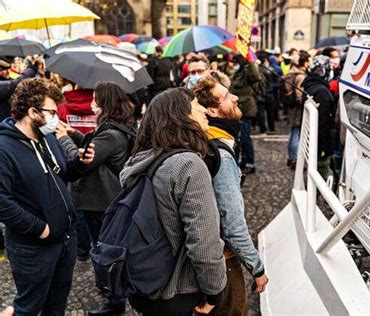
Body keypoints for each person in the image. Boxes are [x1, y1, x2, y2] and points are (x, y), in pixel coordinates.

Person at [122, 87, 226, 316]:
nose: (203, 110)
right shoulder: (188, 165)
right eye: (197, 105)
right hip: (178, 290)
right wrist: (215, 291)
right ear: (182, 115)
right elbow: (203, 241)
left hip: (145, 282)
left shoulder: (141, 159)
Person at [0, 78, 94, 315]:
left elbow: (62, 173)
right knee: (29, 306)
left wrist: (79, 164)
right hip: (33, 247)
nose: (56, 119)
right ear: (33, 112)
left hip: (65, 240)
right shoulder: (4, 148)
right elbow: (2, 202)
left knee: (57, 302)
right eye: (51, 113)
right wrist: (40, 229)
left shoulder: (47, 138)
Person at [56, 82, 136, 315]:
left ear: (105, 102)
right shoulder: (115, 128)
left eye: (95, 99)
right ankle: (113, 294)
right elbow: (95, 150)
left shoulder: (111, 133)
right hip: (105, 198)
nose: (91, 103)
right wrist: (76, 134)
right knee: (105, 248)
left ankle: (113, 300)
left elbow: (84, 160)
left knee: (104, 251)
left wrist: (63, 138)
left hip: (100, 201)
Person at [193, 73, 269, 315]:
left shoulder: (206, 141)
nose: (235, 98)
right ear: (212, 112)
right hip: (221, 260)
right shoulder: (221, 155)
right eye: (226, 97)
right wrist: (257, 268)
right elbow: (232, 225)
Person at [302, 55, 337, 179]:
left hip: (314, 141)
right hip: (321, 143)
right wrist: (324, 149)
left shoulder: (310, 86)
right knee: (322, 174)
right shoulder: (322, 92)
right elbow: (323, 123)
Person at [230, 55, 262, 174]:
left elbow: (256, 77)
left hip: (246, 108)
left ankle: (250, 162)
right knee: (240, 138)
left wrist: (251, 61)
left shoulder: (249, 70)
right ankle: (244, 159)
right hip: (239, 107)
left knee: (245, 136)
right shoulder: (239, 71)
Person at [286, 52, 310, 169]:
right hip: (297, 110)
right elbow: (299, 95)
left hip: (292, 108)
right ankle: (294, 159)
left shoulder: (292, 73)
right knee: (296, 133)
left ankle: (291, 157)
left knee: (293, 133)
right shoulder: (301, 76)